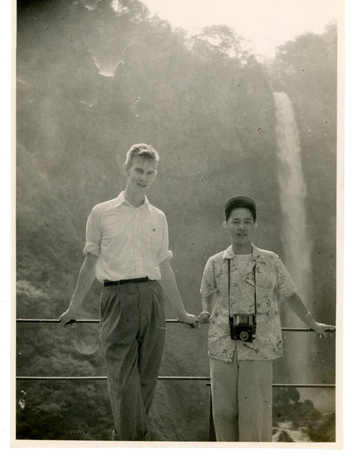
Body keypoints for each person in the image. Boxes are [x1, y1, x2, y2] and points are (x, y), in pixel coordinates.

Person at [59, 143, 197, 441]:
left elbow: (166, 267)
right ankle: (133, 443)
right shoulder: (101, 212)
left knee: (146, 380)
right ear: (127, 169)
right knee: (123, 384)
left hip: (152, 300)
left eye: (150, 172)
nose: (143, 177)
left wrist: (182, 311)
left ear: (155, 175)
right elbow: (89, 263)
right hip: (116, 299)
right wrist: (73, 308)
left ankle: (125, 441)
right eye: (138, 170)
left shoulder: (158, 217)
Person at [197, 195, 335, 442]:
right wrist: (206, 311)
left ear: (255, 225)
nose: (241, 227)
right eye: (236, 221)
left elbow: (291, 295)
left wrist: (312, 324)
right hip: (222, 349)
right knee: (224, 414)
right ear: (225, 224)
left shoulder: (271, 261)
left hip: (259, 349)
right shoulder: (215, 263)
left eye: (247, 222)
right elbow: (206, 293)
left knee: (255, 418)